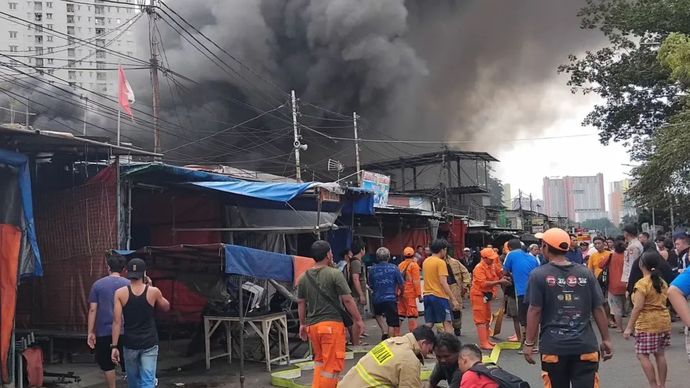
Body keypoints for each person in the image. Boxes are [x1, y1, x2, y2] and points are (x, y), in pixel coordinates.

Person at [522, 228, 613, 388]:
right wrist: (606, 339)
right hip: (585, 347)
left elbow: (535, 310)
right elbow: (598, 308)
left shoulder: (538, 275)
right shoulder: (585, 273)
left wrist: (529, 343)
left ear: (545, 247)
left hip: (553, 348)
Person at [297, 240, 365, 387]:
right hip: (331, 326)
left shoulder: (303, 277)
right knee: (331, 367)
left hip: (313, 327)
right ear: (328, 254)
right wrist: (358, 320)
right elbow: (347, 300)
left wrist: (302, 324)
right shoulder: (334, 274)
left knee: (320, 363)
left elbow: (301, 303)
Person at [111, 259, 170, 388]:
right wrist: (151, 285)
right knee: (148, 380)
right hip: (149, 342)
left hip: (130, 343)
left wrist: (114, 346)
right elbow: (166, 307)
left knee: (133, 381)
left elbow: (116, 321)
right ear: (144, 273)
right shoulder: (153, 291)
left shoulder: (120, 293)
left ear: (127, 272)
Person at [623, 252, 671, 388]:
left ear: (641, 264)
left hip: (647, 323)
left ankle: (653, 385)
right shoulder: (662, 282)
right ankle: (662, 385)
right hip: (663, 320)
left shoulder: (642, 284)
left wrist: (629, 328)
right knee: (660, 354)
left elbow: (637, 307)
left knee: (642, 355)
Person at [338, 326, 437, 387]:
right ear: (423, 343)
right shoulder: (409, 359)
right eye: (429, 350)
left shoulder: (391, 342)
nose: (427, 354)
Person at [87, 255, 130, 388]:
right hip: (126, 330)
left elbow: (93, 310)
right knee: (128, 362)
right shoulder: (129, 284)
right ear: (124, 269)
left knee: (107, 364)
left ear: (108, 267)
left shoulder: (97, 285)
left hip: (103, 331)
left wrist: (90, 332)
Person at [471, 248, 510, 350]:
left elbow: (499, 272)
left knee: (487, 318)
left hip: (486, 295)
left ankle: (487, 340)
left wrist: (505, 277)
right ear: (484, 258)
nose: (493, 260)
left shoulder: (492, 265)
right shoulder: (479, 268)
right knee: (480, 320)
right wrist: (499, 282)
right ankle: (483, 343)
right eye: (490, 258)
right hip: (478, 295)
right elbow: (483, 283)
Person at [503, 238, 539, 345]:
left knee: (524, 320)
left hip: (522, 292)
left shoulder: (511, 255)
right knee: (535, 318)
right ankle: (535, 344)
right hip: (536, 291)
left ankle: (528, 343)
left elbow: (504, 272)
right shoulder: (532, 258)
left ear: (509, 248)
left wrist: (511, 275)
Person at [422, 239, 459, 334]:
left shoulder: (426, 261)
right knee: (447, 323)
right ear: (442, 250)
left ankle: (417, 340)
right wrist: (453, 299)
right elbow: (443, 282)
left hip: (427, 295)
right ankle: (450, 346)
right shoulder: (440, 262)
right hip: (439, 296)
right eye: (445, 250)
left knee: (429, 323)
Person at [368, 247, 404, 340]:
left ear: (377, 257)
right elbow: (401, 283)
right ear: (388, 257)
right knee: (391, 322)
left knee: (377, 314)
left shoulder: (372, 269)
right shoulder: (394, 268)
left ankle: (384, 331)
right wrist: (401, 293)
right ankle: (389, 339)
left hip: (377, 298)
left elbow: (371, 284)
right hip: (390, 298)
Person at [600, 238, 628, 332]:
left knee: (617, 309)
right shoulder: (627, 256)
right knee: (630, 307)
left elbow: (601, 265)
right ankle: (631, 328)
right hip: (627, 284)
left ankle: (620, 328)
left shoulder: (611, 255)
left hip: (614, 286)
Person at [344, 240, 368, 343]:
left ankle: (356, 340)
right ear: (362, 250)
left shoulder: (353, 261)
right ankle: (356, 342)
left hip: (355, 293)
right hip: (356, 295)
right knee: (356, 318)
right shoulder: (356, 262)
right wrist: (361, 295)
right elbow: (355, 279)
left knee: (356, 318)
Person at [446, 252, 471, 336]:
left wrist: (464, 286)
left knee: (456, 310)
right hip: (441, 289)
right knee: (444, 311)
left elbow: (465, 273)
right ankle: (445, 331)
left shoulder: (455, 262)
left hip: (455, 288)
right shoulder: (435, 262)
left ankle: (457, 327)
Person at [398, 247, 422, 333]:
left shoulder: (400, 265)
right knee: (412, 314)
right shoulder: (414, 265)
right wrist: (419, 295)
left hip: (401, 292)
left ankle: (395, 334)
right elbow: (416, 281)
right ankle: (413, 334)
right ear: (413, 255)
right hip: (410, 293)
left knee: (401, 313)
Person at [622, 224, 644, 289]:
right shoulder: (634, 244)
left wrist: (629, 281)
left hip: (634, 278)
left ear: (626, 233)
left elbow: (632, 264)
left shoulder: (633, 246)